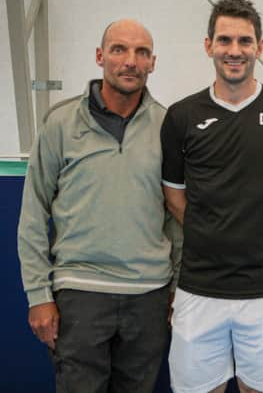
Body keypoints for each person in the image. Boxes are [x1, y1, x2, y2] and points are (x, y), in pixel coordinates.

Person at [161, 0, 263, 393]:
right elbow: (174, 196)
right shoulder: (181, 116)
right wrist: (210, 234)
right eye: (225, 40)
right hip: (199, 289)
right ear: (208, 45)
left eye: (245, 41)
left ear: (260, 47)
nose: (235, 51)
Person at [17, 19, 180, 393]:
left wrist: (177, 285)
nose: (130, 61)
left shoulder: (168, 126)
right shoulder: (59, 123)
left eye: (141, 52)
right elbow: (33, 214)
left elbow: (176, 216)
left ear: (152, 63)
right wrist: (39, 296)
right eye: (119, 49)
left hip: (148, 297)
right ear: (100, 56)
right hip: (80, 296)